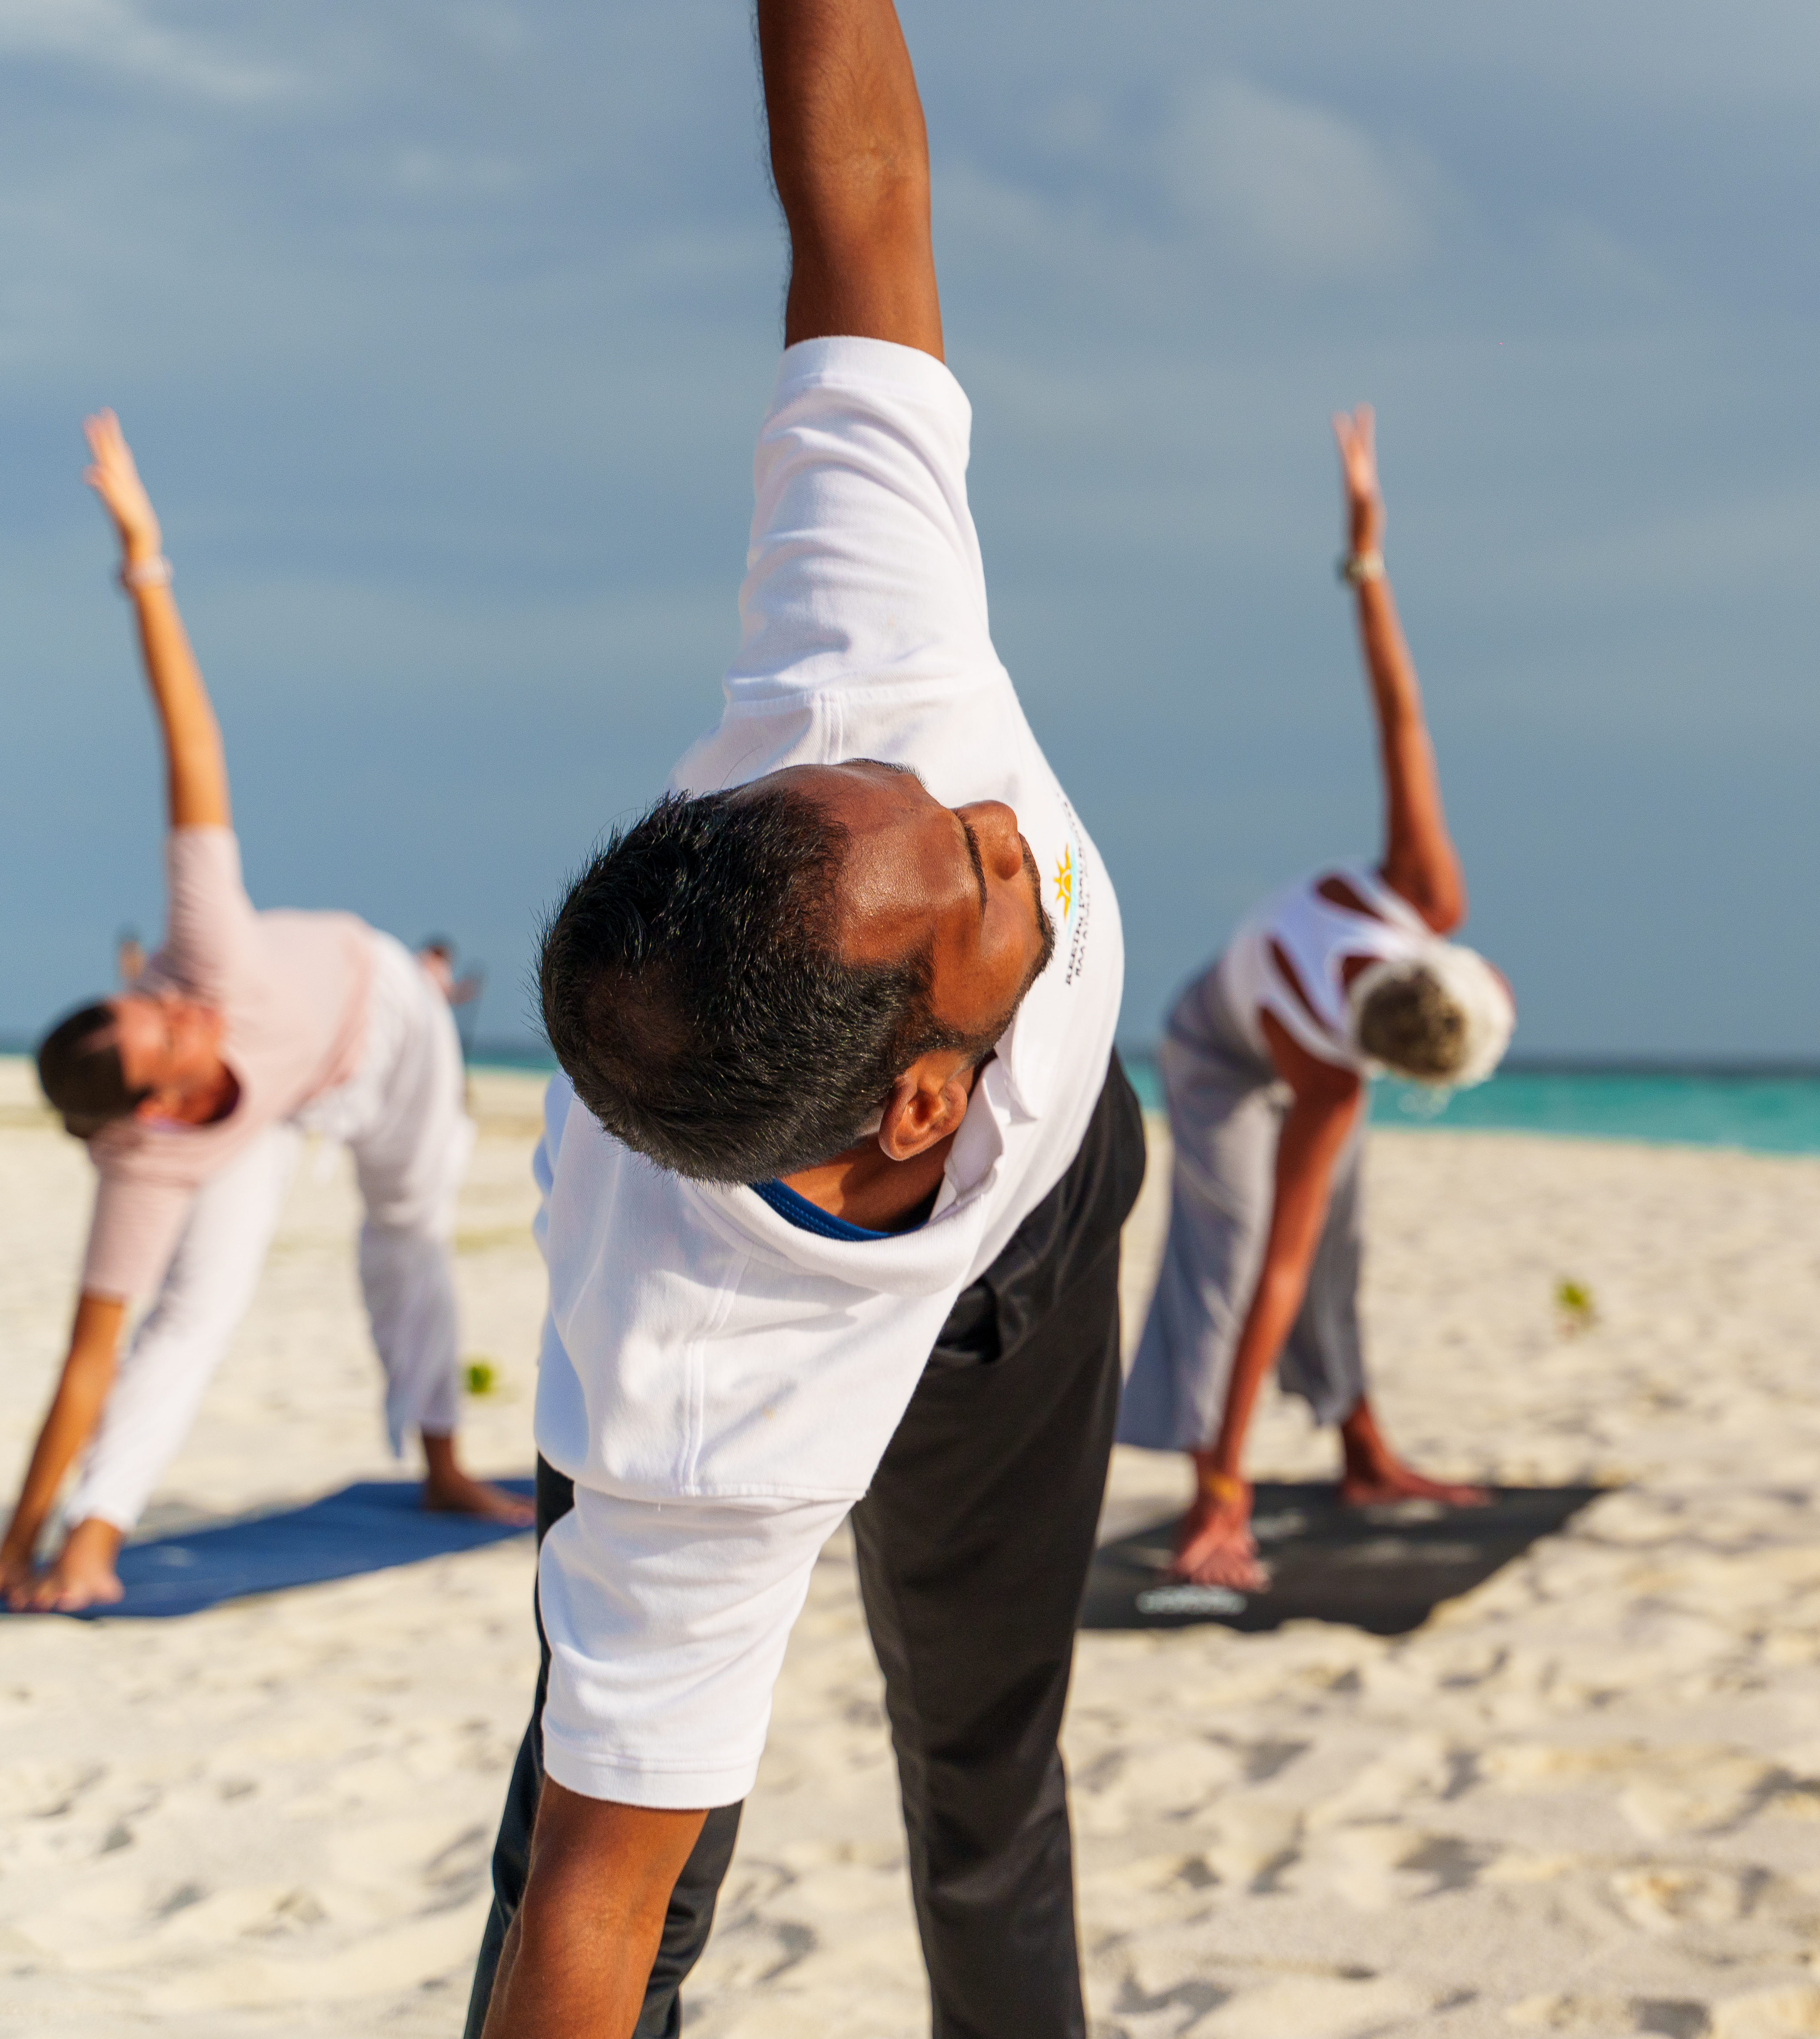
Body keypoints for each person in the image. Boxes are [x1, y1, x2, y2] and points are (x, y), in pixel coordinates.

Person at [460, 3, 1135, 2032]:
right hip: (735, 1351)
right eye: (980, 873)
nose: (1001, 815)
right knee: (602, 1849)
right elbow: (592, 1898)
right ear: (927, 1088)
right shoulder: (692, 1412)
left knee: (985, 1767)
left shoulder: (841, 696)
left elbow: (859, 197)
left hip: (1028, 1242)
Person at [0, 412, 525, 1617]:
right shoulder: (146, 1162)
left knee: (405, 1227)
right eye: (165, 1035)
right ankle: (100, 1532)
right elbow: (88, 1355)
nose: (183, 1008)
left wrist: (144, 561)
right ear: (154, 1101)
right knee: (193, 1310)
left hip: (384, 1020)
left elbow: (187, 742)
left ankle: (446, 1465)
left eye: (150, 1007)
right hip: (277, 1112)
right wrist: (21, 1551)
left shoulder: (204, 951)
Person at [1116, 408, 1514, 1592]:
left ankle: (1364, 1450)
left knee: (1337, 1243)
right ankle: (1213, 1489)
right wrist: (1229, 1506)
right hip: (1215, 1043)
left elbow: (1402, 713)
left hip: (1280, 1017)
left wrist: (1369, 558)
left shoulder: (1419, 893)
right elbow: (1271, 1280)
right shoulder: (1330, 1077)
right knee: (1240, 1251)